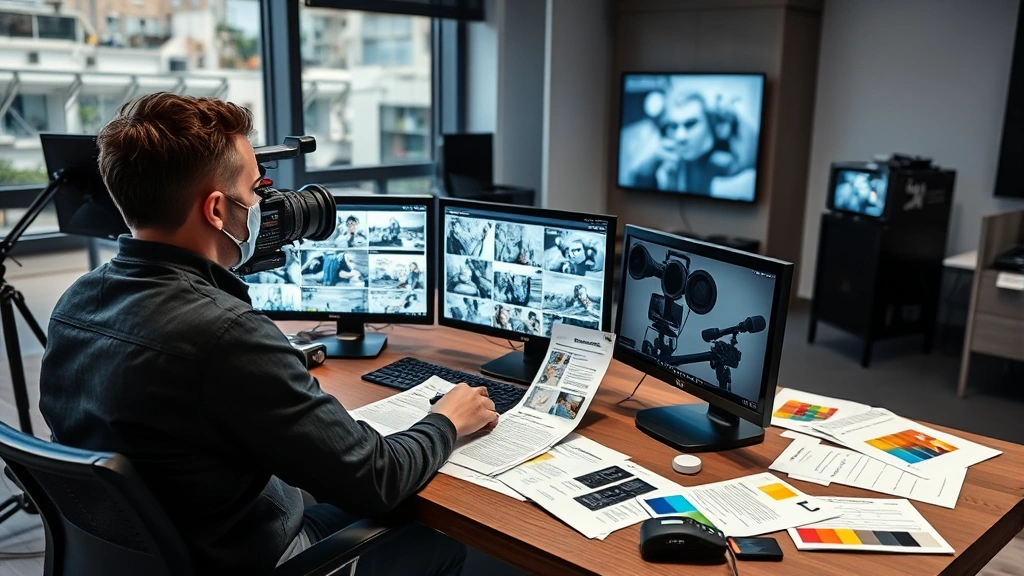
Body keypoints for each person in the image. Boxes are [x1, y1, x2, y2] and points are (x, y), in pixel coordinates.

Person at [38, 93, 499, 576]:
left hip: (144, 552)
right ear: (217, 210)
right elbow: (375, 478)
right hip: (250, 558)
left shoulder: (75, 301)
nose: (265, 205)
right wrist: (447, 421)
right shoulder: (223, 332)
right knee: (436, 539)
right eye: (257, 190)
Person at [624, 88, 758, 196]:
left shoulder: (724, 163)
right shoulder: (671, 164)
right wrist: (651, 163)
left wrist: (737, 120)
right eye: (674, 126)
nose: (680, 136)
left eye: (690, 124)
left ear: (710, 125)